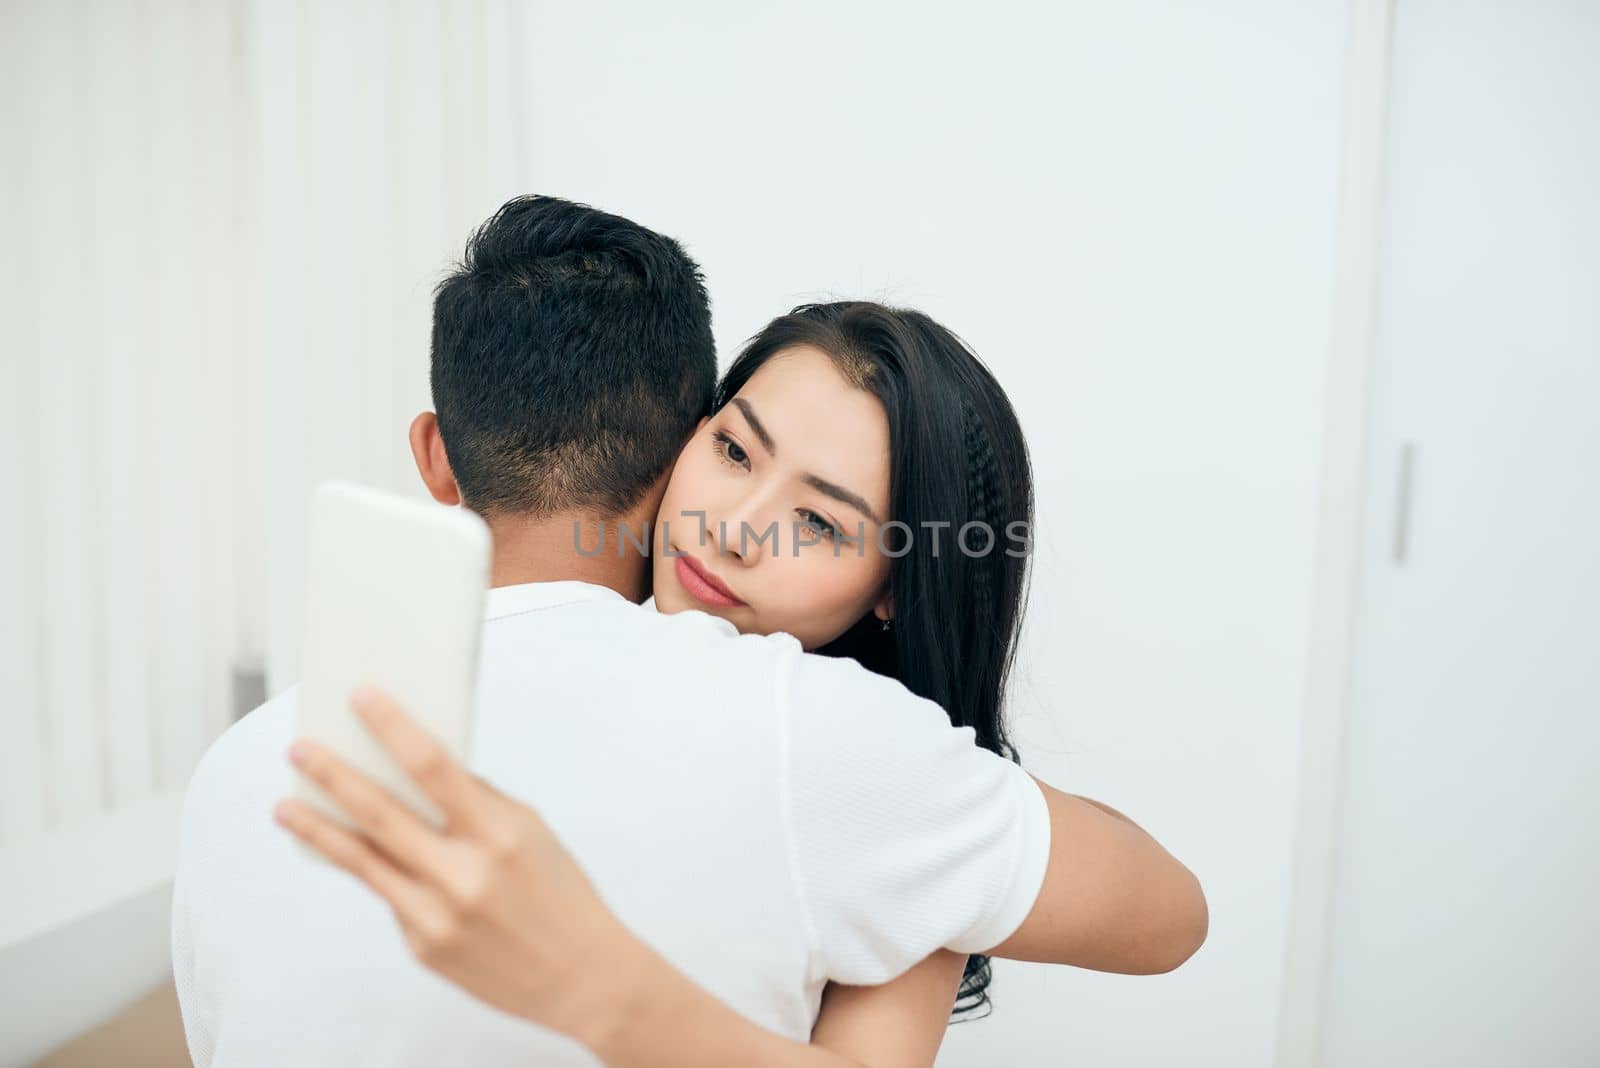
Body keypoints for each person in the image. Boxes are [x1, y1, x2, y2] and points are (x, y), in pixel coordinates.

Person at [173, 196, 1207, 1068]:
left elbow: (1171, 915)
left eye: (818, 520)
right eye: (734, 451)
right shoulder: (846, 770)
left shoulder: (236, 766)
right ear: (672, 442)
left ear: (898, 582)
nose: (733, 528)